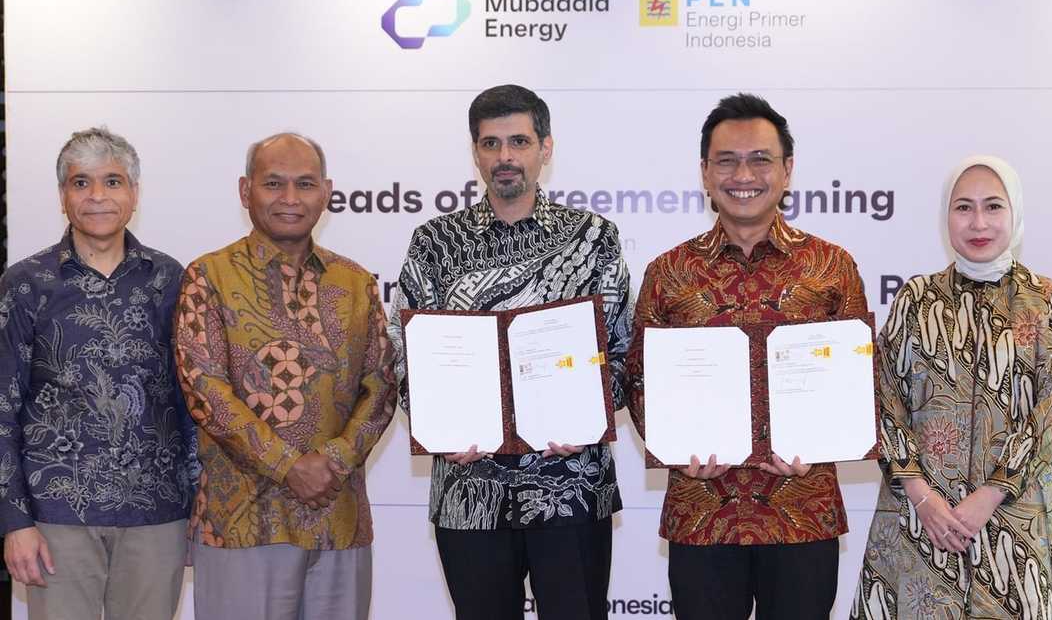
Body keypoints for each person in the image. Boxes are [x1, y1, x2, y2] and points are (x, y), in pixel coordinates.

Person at [387, 84, 632, 620]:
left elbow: (620, 351)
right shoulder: (435, 242)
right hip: (469, 491)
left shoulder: (593, 237)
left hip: (571, 485)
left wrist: (587, 415)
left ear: (545, 148)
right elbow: (405, 354)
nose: (505, 156)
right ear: (475, 152)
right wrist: (439, 427)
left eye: (519, 141)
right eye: (490, 143)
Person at [626, 93, 868, 620]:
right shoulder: (668, 273)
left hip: (803, 509)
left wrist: (824, 441)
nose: (743, 175)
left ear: (787, 170)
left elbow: (858, 382)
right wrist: (675, 447)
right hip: (702, 514)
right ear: (705, 173)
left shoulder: (832, 267)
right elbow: (639, 381)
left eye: (760, 159)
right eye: (726, 160)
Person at [849, 156, 1052, 619]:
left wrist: (989, 496)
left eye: (993, 206)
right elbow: (884, 400)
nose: (978, 222)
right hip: (922, 518)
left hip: (1016, 518)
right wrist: (923, 497)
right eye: (963, 207)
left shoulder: (1047, 300)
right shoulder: (916, 300)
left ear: (1015, 211)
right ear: (946, 215)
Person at [174, 132, 396, 620]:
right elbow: (205, 390)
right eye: (273, 183)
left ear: (327, 192)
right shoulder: (209, 276)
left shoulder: (355, 282)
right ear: (245, 190)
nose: (290, 198)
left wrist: (333, 460)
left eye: (305, 184)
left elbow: (381, 387)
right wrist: (289, 466)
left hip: (339, 522)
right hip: (243, 522)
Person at [0, 127, 196, 619]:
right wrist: (14, 521)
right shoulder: (26, 283)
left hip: (157, 513)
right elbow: (2, 406)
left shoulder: (170, 279)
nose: (97, 196)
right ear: (62, 196)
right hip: (56, 515)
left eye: (112, 181)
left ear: (134, 193)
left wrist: (198, 502)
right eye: (81, 182)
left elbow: (191, 401)